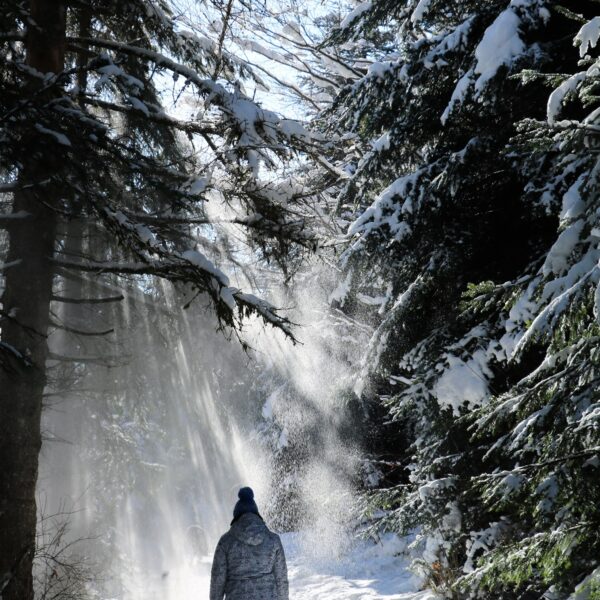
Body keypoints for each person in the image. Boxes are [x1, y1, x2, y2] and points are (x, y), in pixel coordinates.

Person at [209, 487, 289, 600]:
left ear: (236, 516)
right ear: (257, 514)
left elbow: (217, 581)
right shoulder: (273, 540)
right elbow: (281, 579)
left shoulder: (225, 542)